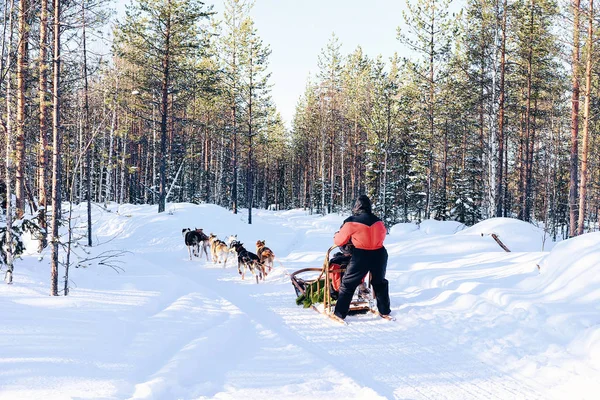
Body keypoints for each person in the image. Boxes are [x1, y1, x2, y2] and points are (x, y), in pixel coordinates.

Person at [333, 194, 391, 320]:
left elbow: (339, 240)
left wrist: (338, 236)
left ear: (357, 207)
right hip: (380, 254)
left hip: (361, 256)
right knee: (379, 283)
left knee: (347, 284)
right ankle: (385, 310)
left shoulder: (351, 222)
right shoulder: (379, 221)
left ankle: (339, 314)